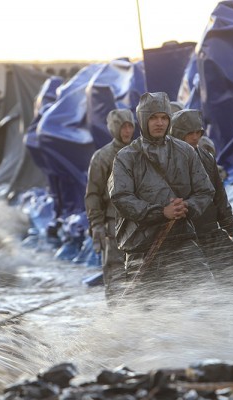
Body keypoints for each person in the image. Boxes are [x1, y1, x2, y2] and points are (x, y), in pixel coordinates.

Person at [109, 92, 215, 299]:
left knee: (205, 295)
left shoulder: (186, 152)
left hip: (181, 237)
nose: (159, 123)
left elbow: (205, 190)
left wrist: (188, 207)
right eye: (154, 118)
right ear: (143, 119)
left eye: (164, 118)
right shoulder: (126, 157)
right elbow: (121, 197)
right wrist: (161, 212)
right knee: (145, 307)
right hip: (141, 243)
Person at [170, 109, 233, 284]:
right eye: (189, 133)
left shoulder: (206, 158)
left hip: (210, 231)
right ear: (177, 134)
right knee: (196, 286)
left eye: (197, 132)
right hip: (182, 235)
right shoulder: (167, 162)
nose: (194, 137)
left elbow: (220, 198)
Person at [85, 108, 135, 304]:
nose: (127, 131)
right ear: (114, 128)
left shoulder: (140, 153)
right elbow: (93, 194)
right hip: (113, 225)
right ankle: (117, 319)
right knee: (115, 275)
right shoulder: (102, 157)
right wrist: (96, 225)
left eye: (130, 126)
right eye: (122, 126)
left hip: (140, 223)